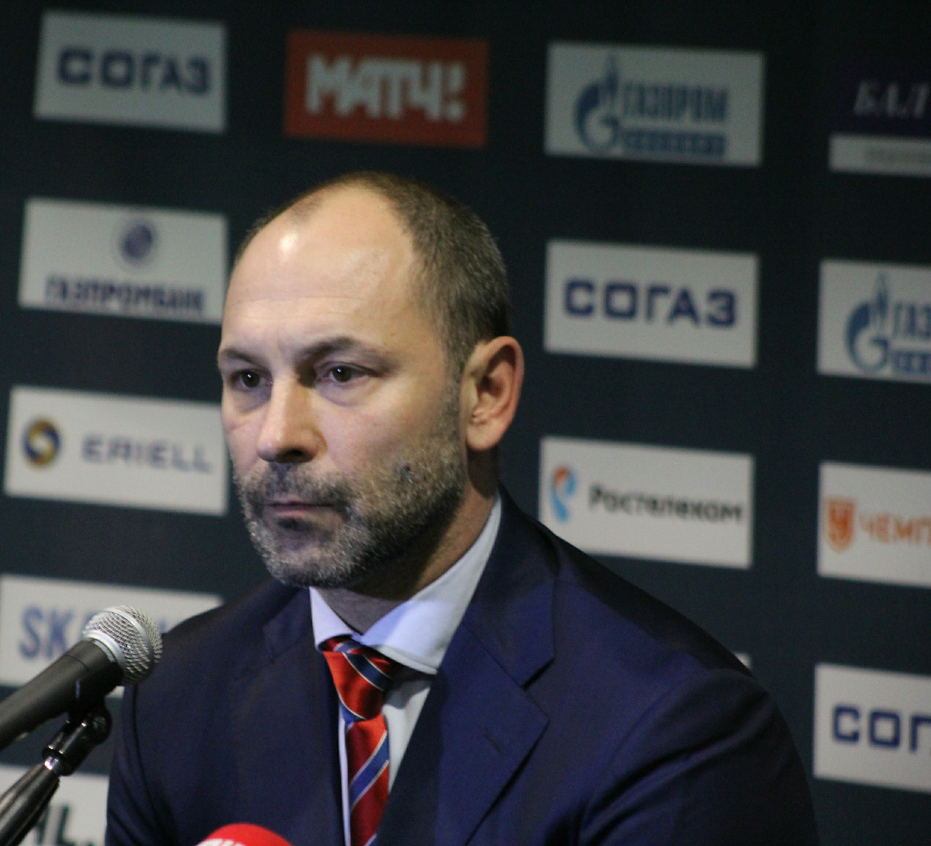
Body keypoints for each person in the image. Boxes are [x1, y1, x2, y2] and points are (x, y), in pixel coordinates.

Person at [106, 172, 819, 846]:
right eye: (248, 378)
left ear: (485, 395)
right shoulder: (177, 696)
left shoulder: (675, 728)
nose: (276, 435)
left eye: (340, 373)